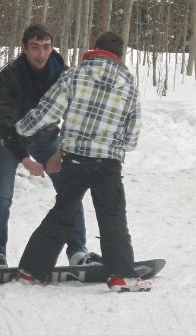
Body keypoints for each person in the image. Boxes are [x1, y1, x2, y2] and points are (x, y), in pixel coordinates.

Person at [14, 31, 150, 292]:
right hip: (108, 162)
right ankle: (120, 276)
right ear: (120, 56)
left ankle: (32, 270)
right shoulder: (129, 84)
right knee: (112, 217)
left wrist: (19, 128)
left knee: (63, 212)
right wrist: (114, 145)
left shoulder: (74, 75)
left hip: (74, 159)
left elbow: (47, 113)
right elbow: (132, 137)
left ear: (94, 49)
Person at [0, 23, 93, 268]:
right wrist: (24, 158)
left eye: (46, 47)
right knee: (2, 194)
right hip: (11, 139)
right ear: (24, 48)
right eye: (35, 47)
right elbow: (3, 122)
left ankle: (77, 251)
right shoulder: (9, 76)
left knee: (70, 192)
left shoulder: (62, 74)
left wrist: (61, 149)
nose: (41, 54)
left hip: (48, 139)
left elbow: (75, 117)